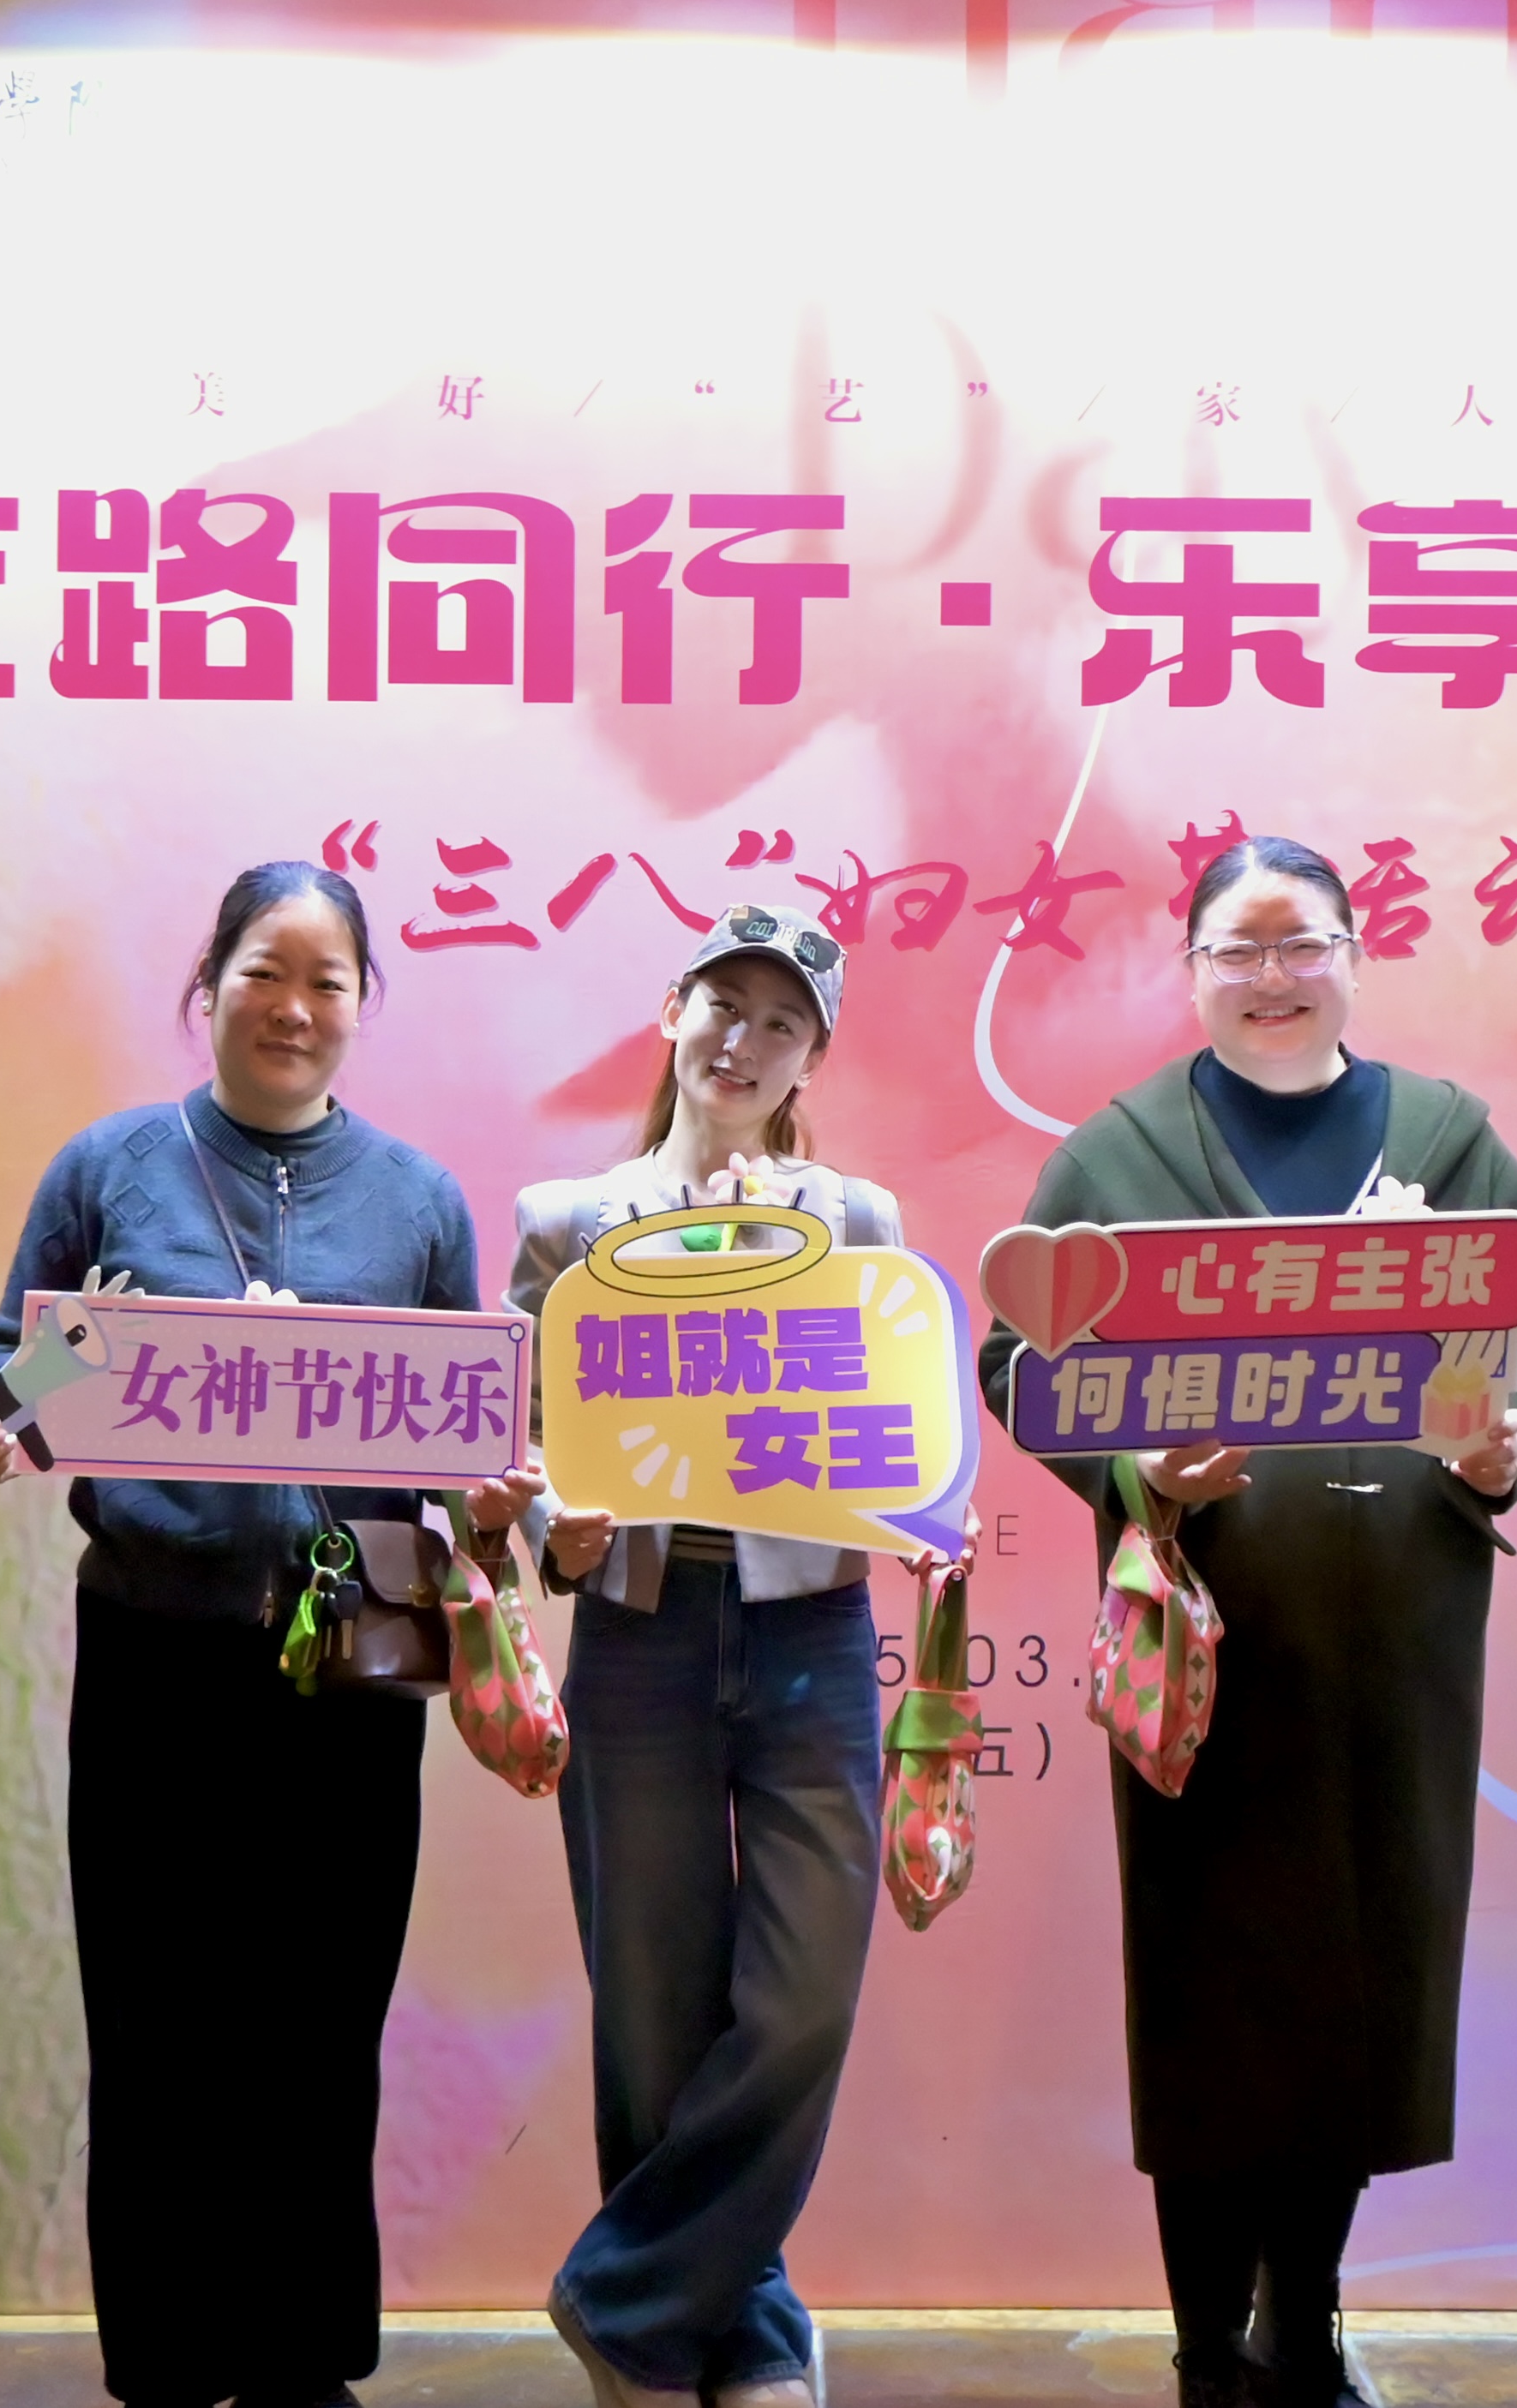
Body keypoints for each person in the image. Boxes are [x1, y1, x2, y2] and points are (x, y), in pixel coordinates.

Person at [975, 835, 1517, 2408]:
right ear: (1191, 972)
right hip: (1200, 1642)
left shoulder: (1445, 1137)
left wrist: (1504, 1440)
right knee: (1205, 1991)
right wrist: (1133, 1469)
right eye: (1237, 949)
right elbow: (1018, 1360)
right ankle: (1206, 2346)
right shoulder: (1115, 1156)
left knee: (1359, 1981)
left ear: (1353, 957)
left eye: (1301, 942)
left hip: (1396, 1640)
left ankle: (1300, 2326)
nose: (1271, 976)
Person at [0, 862, 483, 2408]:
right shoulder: (111, 1167)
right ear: (211, 982)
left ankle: (305, 2363)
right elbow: (15, 1374)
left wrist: (500, 1485)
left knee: (320, 2020)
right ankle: (173, 2364)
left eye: (327, 981)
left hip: (351, 1664)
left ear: (361, 1006)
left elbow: (464, 1431)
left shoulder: (421, 1201)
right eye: (266, 970)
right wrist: (0, 1419)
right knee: (159, 2018)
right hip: (157, 1658)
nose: (293, 1006)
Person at [465, 904, 902, 2408]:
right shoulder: (570, 1222)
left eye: (782, 1022)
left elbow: (895, 1418)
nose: (744, 1040)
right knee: (652, 2002)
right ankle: (737, 2324)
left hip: (812, 1624)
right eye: (724, 1005)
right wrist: (553, 1528)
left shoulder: (857, 1223)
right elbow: (515, 1442)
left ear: (811, 1059)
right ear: (671, 1014)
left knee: (801, 1996)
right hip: (642, 1627)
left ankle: (623, 2299)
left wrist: (926, 1504)